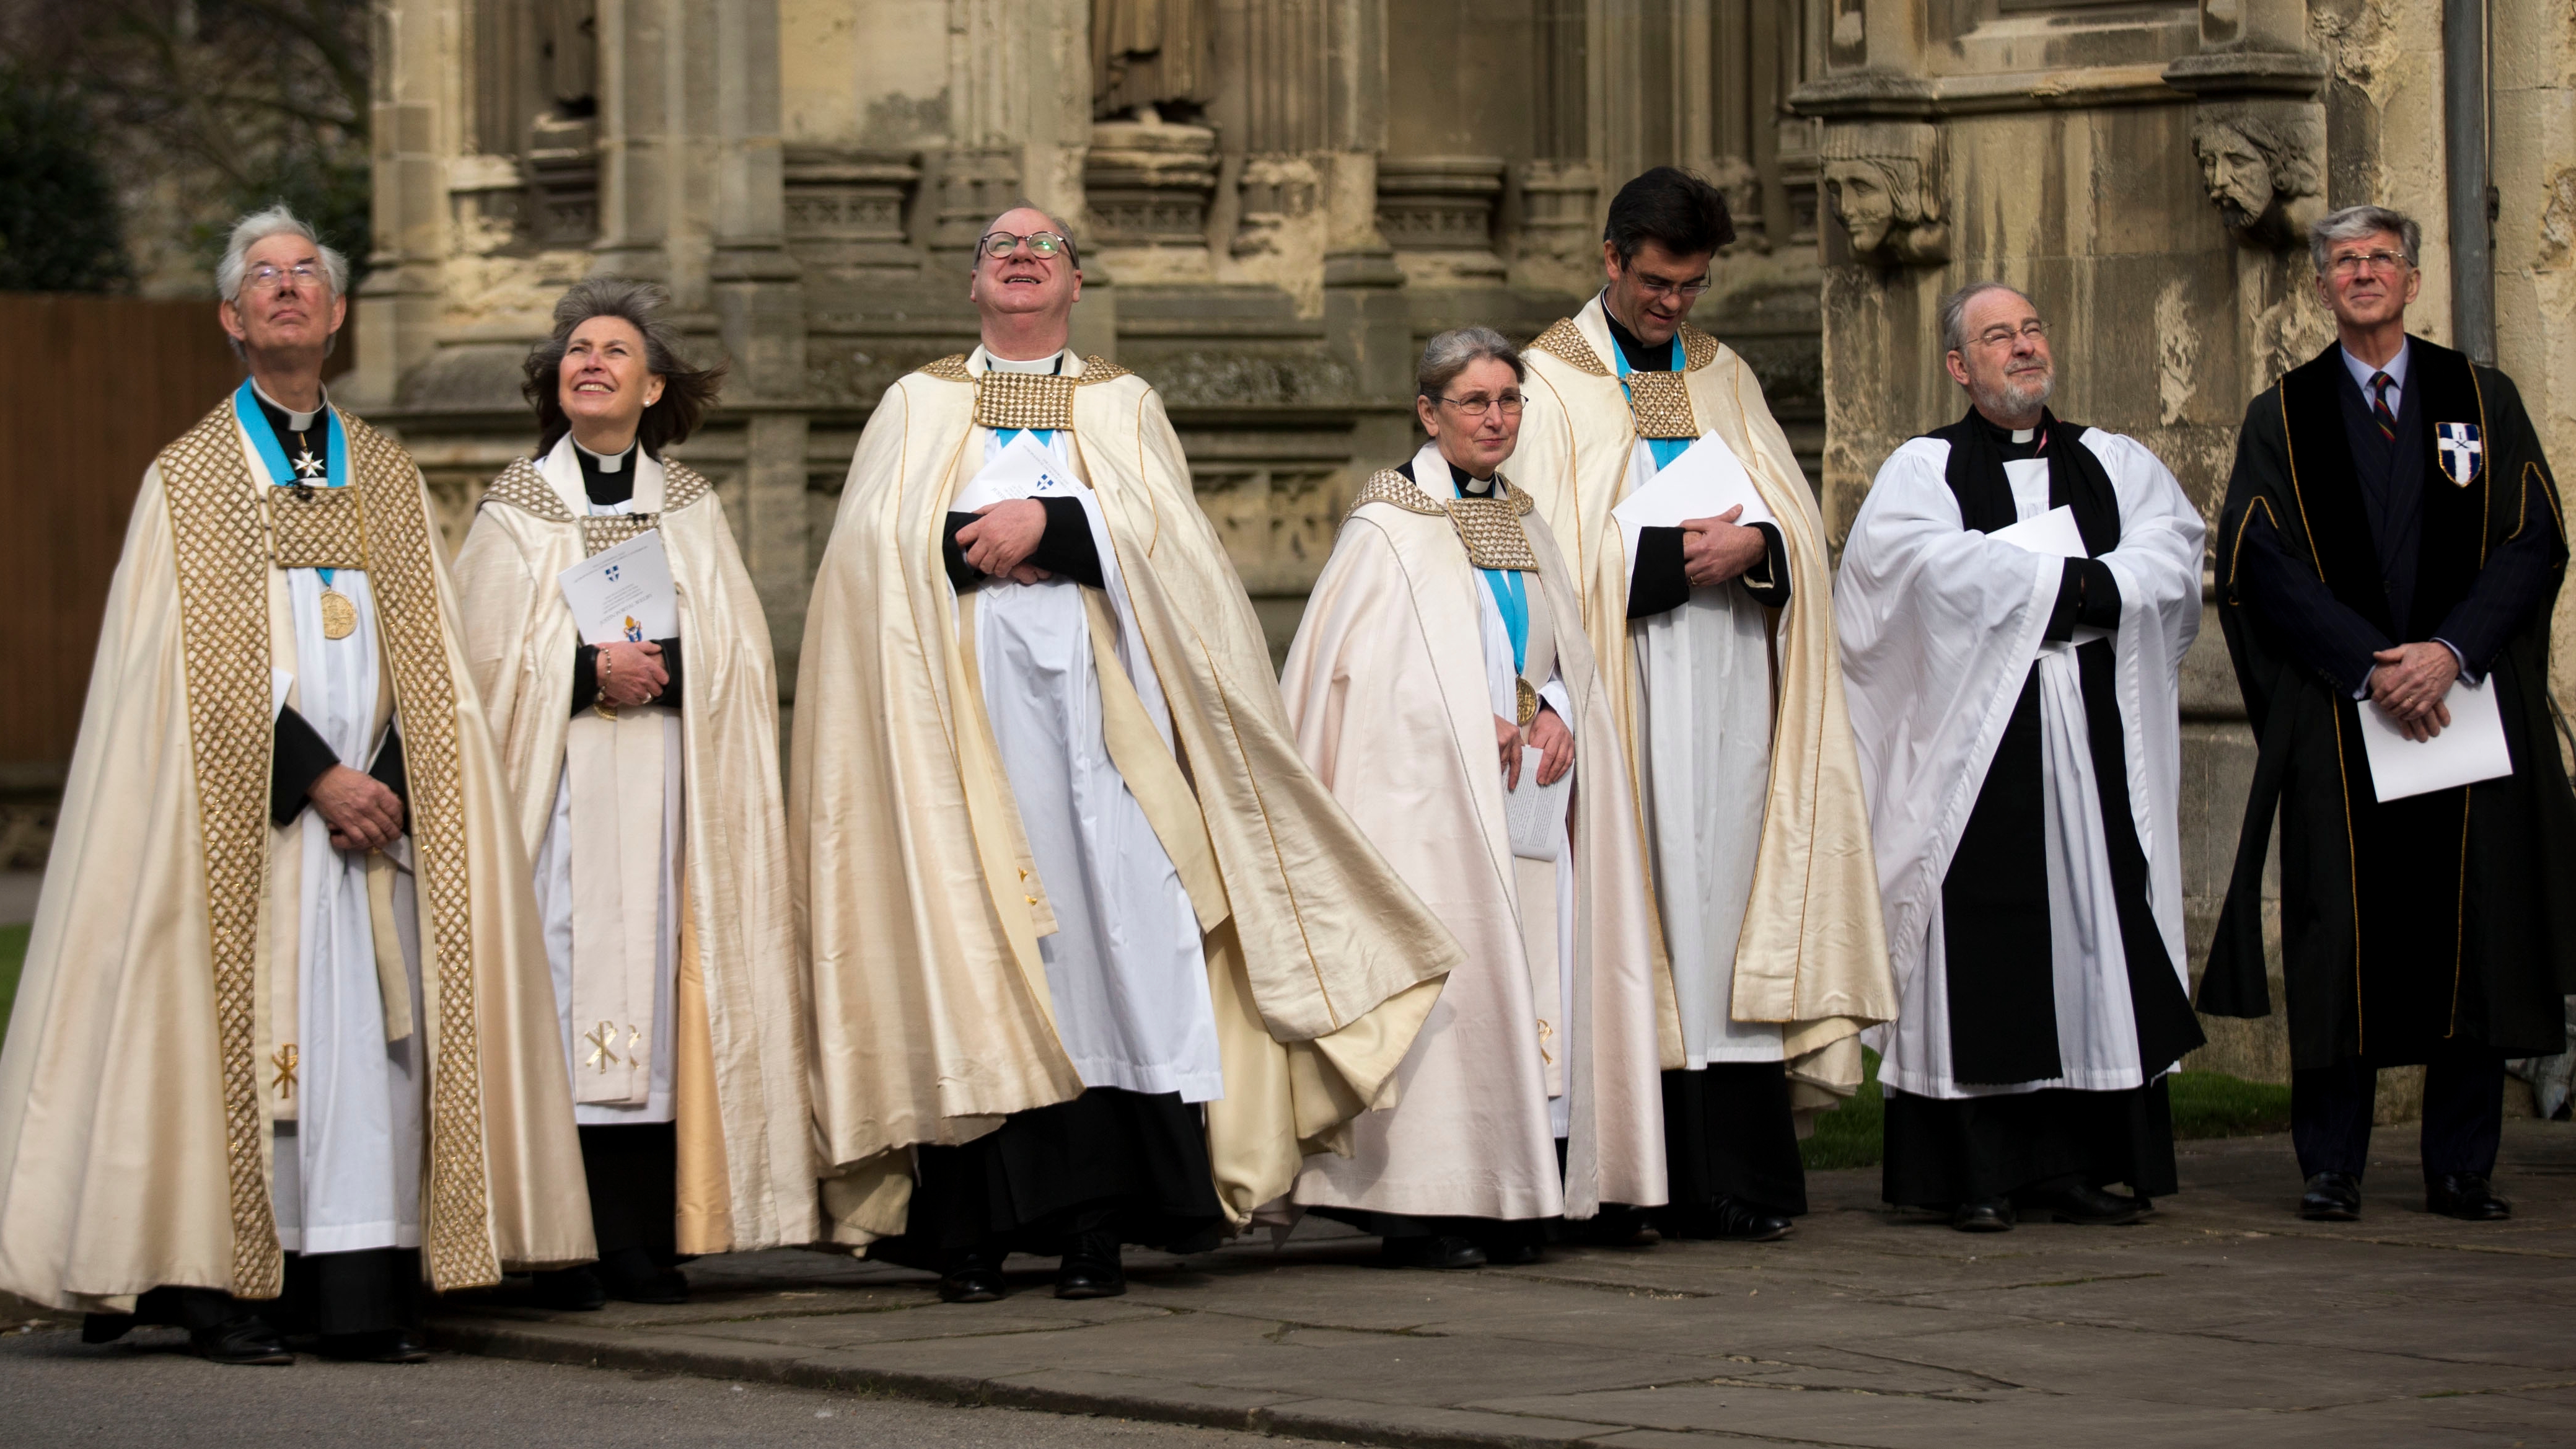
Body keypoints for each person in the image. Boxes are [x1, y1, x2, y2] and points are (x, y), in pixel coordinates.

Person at [792, 206, 1459, 1302]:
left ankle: (1097, 1230)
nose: (1018, 256)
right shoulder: (913, 406)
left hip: (1109, 753)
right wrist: (967, 543)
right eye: (997, 247)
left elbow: (1176, 556)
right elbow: (863, 559)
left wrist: (1051, 530)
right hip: (958, 747)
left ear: (1077, 281)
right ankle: (969, 1233)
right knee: (977, 954)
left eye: (1042, 247)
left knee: (1112, 955)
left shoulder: (1120, 404)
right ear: (972, 287)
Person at [0, 206, 591, 1362]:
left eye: (306, 276)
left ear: (336, 314)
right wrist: (315, 778)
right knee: (229, 1037)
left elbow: (430, 655)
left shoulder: (382, 464)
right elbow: (171, 674)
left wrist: (382, 778)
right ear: (230, 317)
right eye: (262, 277)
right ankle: (222, 1289)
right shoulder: (190, 475)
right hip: (243, 825)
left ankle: (356, 1292)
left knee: (367, 1046)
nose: (286, 290)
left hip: (373, 818)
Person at [1510, 167, 1894, 1244]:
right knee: (1635, 915)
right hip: (1621, 690)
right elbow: (1543, 557)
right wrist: (1667, 562)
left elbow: (1796, 533)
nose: (1674, 305)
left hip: (1732, 689)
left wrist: (1759, 546)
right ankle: (1636, 1178)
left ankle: (1738, 1176)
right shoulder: (1545, 384)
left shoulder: (1724, 377)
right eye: (1657, 283)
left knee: (1725, 911)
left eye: (1691, 285)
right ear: (1610, 259)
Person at [2202, 205, 2576, 1223]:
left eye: (2380, 259)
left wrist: (2448, 654)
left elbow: (2532, 539)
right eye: (2343, 263)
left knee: (2474, 935)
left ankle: (2460, 1165)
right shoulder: (2280, 416)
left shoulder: (2478, 398)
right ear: (2320, 287)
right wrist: (2372, 668)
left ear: (2413, 281)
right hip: (2343, 719)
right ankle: (2331, 1162)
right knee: (2340, 938)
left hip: (2462, 712)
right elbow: (2257, 561)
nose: (2362, 275)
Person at [453, 280, 815, 1308]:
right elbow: (475, 669)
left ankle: (654, 1234)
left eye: (614, 350)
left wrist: (671, 663)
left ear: (653, 386)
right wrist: (583, 672)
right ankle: (560, 1236)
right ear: (553, 380)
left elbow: (744, 657)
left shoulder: (691, 508)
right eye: (575, 350)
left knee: (664, 998)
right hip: (560, 798)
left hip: (665, 791)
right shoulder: (515, 511)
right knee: (562, 990)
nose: (591, 361)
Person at [1279, 329, 1665, 1267]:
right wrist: (1467, 719)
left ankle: (1524, 1187)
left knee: (1543, 972)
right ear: (1428, 412)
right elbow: (1353, 682)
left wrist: (1558, 708)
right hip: (1427, 803)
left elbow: (1559, 648)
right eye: (1474, 402)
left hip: (1527, 791)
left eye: (1508, 401)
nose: (1494, 419)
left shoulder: (1526, 521)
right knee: (1458, 989)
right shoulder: (1389, 526)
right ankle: (1429, 1201)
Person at [1837, 282, 2207, 1233]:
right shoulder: (1923, 469)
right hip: (1976, 736)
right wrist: (2076, 579)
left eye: (2032, 328)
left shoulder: (2112, 460)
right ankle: (1976, 1172)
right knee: (1978, 943)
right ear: (1959, 366)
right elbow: (1910, 571)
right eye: (1997, 337)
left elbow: (2172, 553)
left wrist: (2081, 586)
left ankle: (2077, 1164)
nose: (2022, 347)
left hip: (2087, 720)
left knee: (2095, 932)